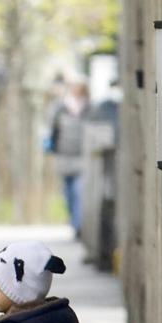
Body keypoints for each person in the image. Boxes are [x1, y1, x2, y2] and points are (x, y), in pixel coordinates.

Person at [47, 81, 90, 236]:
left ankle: (78, 224)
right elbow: (52, 128)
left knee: (78, 190)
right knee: (68, 192)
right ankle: (74, 220)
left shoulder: (89, 108)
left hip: (81, 157)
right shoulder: (61, 108)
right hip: (64, 156)